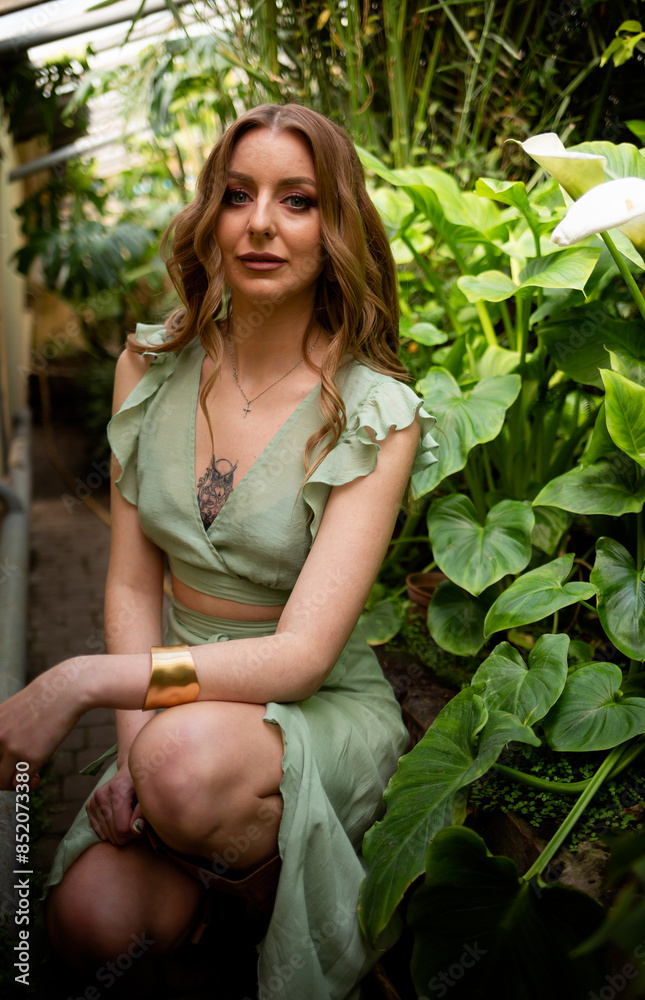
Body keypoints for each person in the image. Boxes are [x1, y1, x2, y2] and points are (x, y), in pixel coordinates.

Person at [0, 103, 437, 999]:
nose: (262, 223)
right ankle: (215, 900)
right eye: (238, 194)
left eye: (298, 199)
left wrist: (79, 682)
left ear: (338, 226)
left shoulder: (373, 409)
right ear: (211, 214)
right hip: (175, 715)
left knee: (184, 767)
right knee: (90, 921)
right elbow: (130, 581)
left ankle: (269, 893)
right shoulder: (150, 365)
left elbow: (300, 658)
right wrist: (128, 752)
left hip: (304, 710)